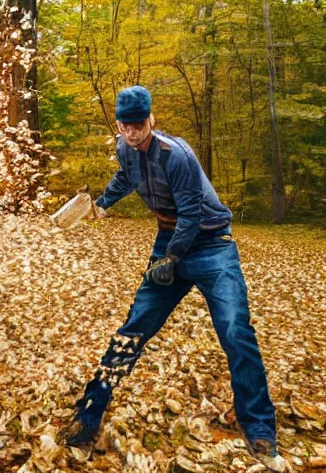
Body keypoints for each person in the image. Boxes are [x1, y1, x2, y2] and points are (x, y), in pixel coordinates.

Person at [64, 86, 288, 472]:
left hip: (211, 242)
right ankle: (87, 415)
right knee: (134, 327)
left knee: (236, 329)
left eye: (139, 124)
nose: (133, 132)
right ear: (118, 125)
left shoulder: (177, 155)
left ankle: (260, 427)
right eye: (125, 125)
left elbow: (191, 215)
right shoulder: (124, 148)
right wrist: (101, 204)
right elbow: (125, 178)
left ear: (151, 120)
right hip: (169, 240)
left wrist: (171, 258)